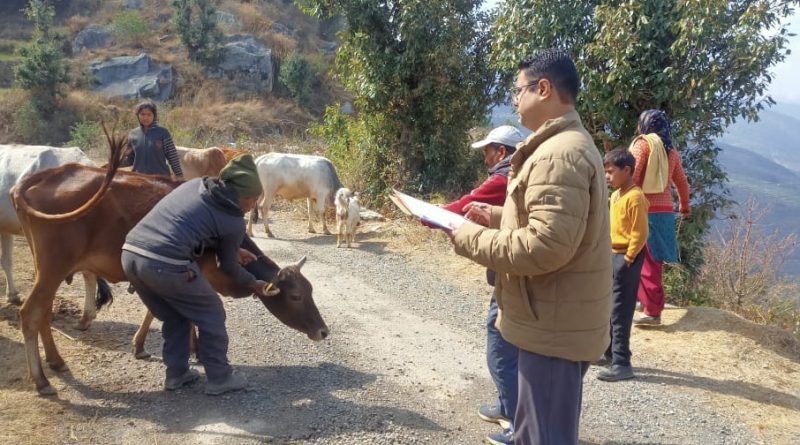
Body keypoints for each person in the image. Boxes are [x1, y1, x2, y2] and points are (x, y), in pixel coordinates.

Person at [450, 49, 612, 445]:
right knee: (533, 431)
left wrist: (468, 237)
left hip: (554, 324)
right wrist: (496, 218)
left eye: (518, 90)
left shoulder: (561, 154)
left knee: (546, 436)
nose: (514, 100)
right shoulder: (562, 146)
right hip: (552, 316)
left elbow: (547, 245)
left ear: (543, 89)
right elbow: (557, 225)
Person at [121, 154, 269, 395]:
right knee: (212, 312)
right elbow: (230, 268)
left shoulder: (195, 185)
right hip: (165, 264)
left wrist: (232, 247)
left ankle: (176, 375)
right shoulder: (233, 221)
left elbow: (187, 223)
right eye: (252, 199)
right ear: (240, 195)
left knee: (176, 316)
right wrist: (254, 283)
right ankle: (220, 378)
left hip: (131, 255)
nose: (252, 206)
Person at [427, 125, 524, 445]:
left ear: (502, 152)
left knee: (500, 346)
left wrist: (426, 214)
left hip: (511, 274)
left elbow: (464, 207)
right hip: (512, 271)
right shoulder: (519, 175)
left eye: (488, 150)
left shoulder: (503, 179)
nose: (484, 155)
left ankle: (517, 423)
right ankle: (505, 404)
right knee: (507, 343)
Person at [628, 110, 691, 325]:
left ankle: (653, 311)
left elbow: (632, 176)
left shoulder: (642, 145)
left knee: (642, 259)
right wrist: (684, 205)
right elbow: (681, 181)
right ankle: (644, 300)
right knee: (653, 260)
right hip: (665, 212)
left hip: (644, 209)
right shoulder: (671, 151)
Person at [597, 149, 648, 382]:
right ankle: (610, 352)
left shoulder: (635, 197)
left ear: (627, 170)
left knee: (620, 310)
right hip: (612, 254)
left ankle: (622, 363)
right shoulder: (616, 195)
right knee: (608, 306)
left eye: (611, 172)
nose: (607, 176)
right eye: (605, 172)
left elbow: (640, 232)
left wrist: (628, 258)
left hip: (626, 258)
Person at [122, 100, 184, 178]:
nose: (145, 117)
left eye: (149, 115)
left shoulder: (163, 133)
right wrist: (112, 164)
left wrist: (179, 176)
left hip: (161, 180)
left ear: (154, 116)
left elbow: (173, 157)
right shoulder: (133, 134)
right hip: (139, 179)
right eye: (142, 114)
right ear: (138, 115)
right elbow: (130, 159)